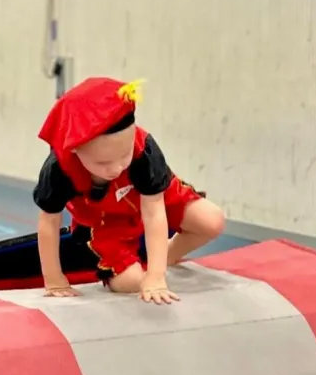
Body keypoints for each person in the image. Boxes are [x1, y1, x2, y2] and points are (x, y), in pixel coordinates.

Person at [33, 77, 225, 304]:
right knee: (131, 283)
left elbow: (154, 212)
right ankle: (135, 263)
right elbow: (49, 222)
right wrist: (54, 279)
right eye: (103, 163)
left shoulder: (144, 150)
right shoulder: (59, 169)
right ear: (74, 149)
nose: (116, 169)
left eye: (125, 156)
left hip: (155, 200)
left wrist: (156, 275)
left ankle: (167, 255)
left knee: (212, 221)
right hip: (107, 223)